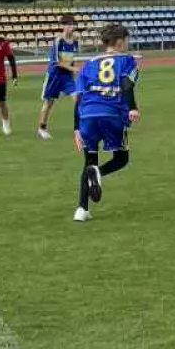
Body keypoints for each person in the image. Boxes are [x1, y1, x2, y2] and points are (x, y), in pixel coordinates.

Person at [72, 23, 140, 223]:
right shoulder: (127, 60)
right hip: (112, 115)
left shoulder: (89, 64)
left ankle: (81, 209)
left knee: (88, 162)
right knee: (121, 159)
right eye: (127, 40)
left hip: (87, 118)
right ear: (119, 42)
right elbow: (127, 84)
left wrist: (76, 127)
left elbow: (79, 97)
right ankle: (98, 173)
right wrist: (133, 107)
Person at [37, 14, 82, 140]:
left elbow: (71, 60)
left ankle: (80, 128)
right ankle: (42, 128)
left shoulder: (75, 41)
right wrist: (74, 69)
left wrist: (73, 74)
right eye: (68, 24)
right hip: (54, 76)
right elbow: (57, 62)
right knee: (49, 103)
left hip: (67, 77)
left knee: (78, 99)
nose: (71, 27)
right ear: (62, 26)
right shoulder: (58, 41)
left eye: (73, 25)